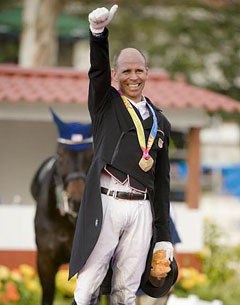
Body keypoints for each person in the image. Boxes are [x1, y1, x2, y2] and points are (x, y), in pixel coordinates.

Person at [69, 5, 174, 305]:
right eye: (126, 70)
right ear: (116, 74)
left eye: (139, 70)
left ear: (147, 73)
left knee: (126, 290)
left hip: (142, 208)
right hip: (108, 201)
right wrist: (98, 35)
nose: (133, 76)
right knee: (88, 283)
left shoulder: (161, 122)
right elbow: (97, 71)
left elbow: (163, 183)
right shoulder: (105, 104)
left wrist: (163, 235)